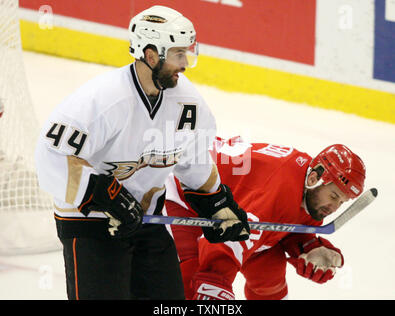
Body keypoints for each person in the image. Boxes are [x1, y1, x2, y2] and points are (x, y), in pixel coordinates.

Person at [35, 6, 249, 300]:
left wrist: (215, 201)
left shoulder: (188, 104)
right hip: (90, 224)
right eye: (178, 54)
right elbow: (51, 157)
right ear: (151, 55)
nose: (185, 63)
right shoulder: (102, 100)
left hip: (147, 221)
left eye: (187, 53)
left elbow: (193, 155)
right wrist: (102, 194)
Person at [164, 136, 366, 300]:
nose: (334, 207)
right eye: (333, 196)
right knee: (192, 282)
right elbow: (230, 238)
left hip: (234, 207)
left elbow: (286, 222)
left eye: (342, 202)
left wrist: (310, 245)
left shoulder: (308, 186)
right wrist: (214, 282)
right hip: (186, 195)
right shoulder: (279, 190)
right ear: (315, 178)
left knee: (269, 275)